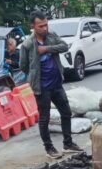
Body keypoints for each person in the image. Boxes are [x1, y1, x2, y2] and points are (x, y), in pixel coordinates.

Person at [19, 10, 82, 159]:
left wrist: (47, 49)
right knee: (44, 118)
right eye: (40, 26)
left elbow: (64, 46)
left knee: (66, 112)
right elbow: (23, 66)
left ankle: (68, 143)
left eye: (46, 25)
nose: (44, 28)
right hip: (42, 87)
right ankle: (49, 147)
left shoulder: (51, 36)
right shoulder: (28, 44)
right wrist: (35, 75)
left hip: (56, 83)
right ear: (32, 26)